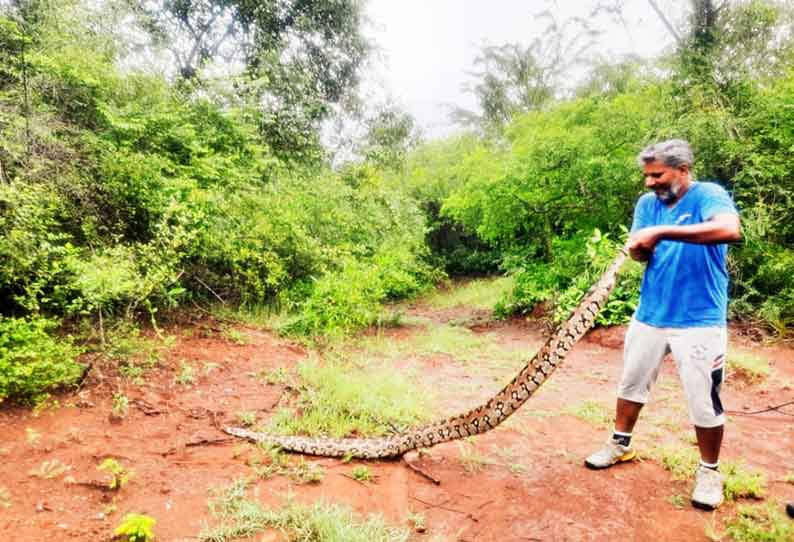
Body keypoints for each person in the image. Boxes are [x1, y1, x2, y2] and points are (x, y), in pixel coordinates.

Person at [584, 139, 742, 511]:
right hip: (650, 314)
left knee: (704, 400)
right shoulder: (646, 205)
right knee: (631, 383)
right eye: (647, 176)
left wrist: (662, 232)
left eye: (657, 174)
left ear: (683, 170)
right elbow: (641, 252)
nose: (649, 182)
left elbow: (729, 229)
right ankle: (619, 444)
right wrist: (640, 248)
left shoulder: (708, 195)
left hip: (700, 320)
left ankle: (709, 471)